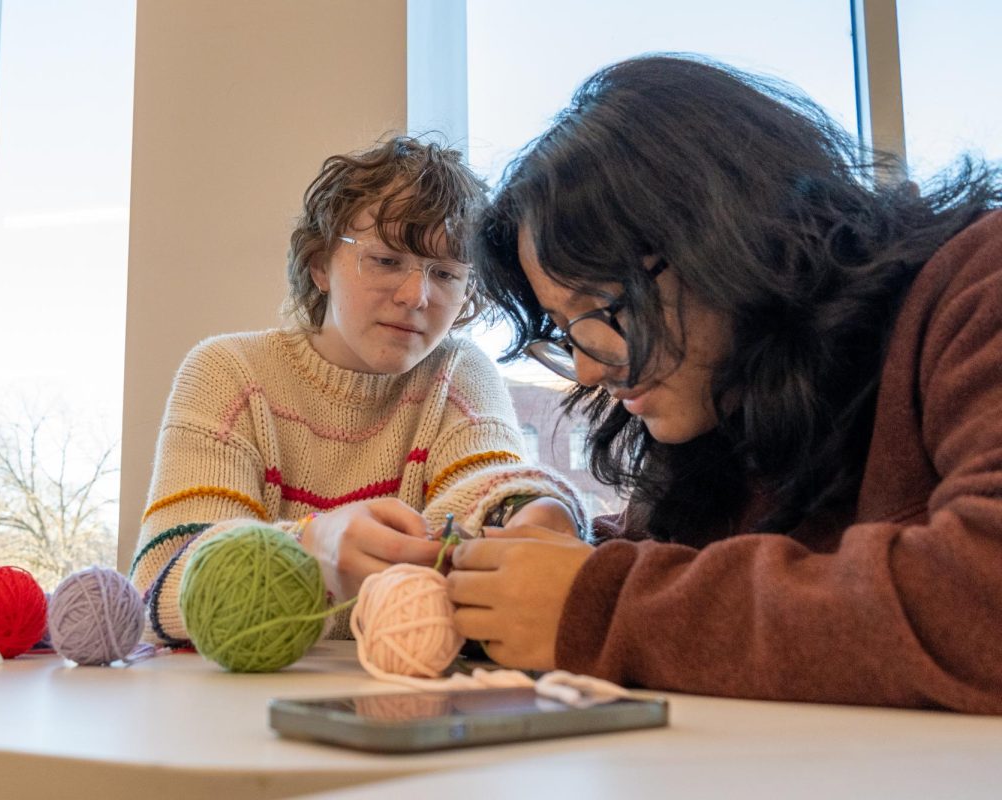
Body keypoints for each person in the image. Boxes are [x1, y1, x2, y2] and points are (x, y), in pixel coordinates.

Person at [449, 55, 1002, 712]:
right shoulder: (733, 400)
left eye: (606, 309)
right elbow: (683, 561)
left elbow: (981, 594)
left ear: (723, 234)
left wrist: (602, 607)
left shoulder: (979, 284)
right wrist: (491, 562)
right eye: (567, 333)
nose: (592, 370)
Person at [131, 136, 585, 645]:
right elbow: (156, 587)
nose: (417, 296)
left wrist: (533, 512)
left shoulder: (459, 373)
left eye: (445, 273)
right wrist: (308, 546)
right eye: (387, 260)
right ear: (320, 264)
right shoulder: (229, 373)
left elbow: (485, 491)